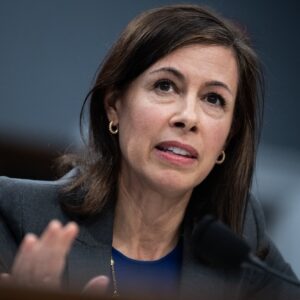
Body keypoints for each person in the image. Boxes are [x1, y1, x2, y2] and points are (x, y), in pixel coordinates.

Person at [0, 4, 298, 299]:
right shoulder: (19, 216)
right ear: (114, 106)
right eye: (165, 86)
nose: (188, 117)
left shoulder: (238, 235)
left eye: (213, 99)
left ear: (228, 138)